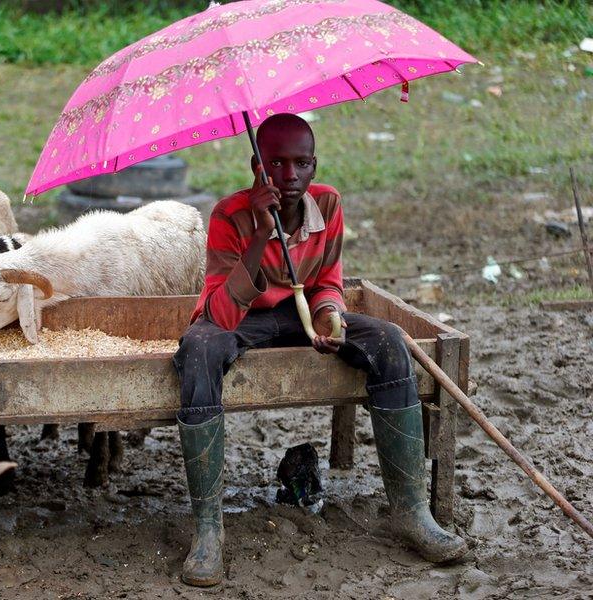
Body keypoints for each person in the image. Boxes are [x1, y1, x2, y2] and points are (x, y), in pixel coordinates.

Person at [173, 113, 468, 587]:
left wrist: (330, 318)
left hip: (298, 314)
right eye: (275, 165)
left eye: (301, 164)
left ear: (314, 165)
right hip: (240, 317)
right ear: (256, 166)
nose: (289, 177)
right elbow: (222, 316)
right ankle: (209, 531)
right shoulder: (229, 214)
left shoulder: (327, 204)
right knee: (199, 348)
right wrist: (262, 234)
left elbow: (327, 285)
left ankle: (412, 513)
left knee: (389, 340)